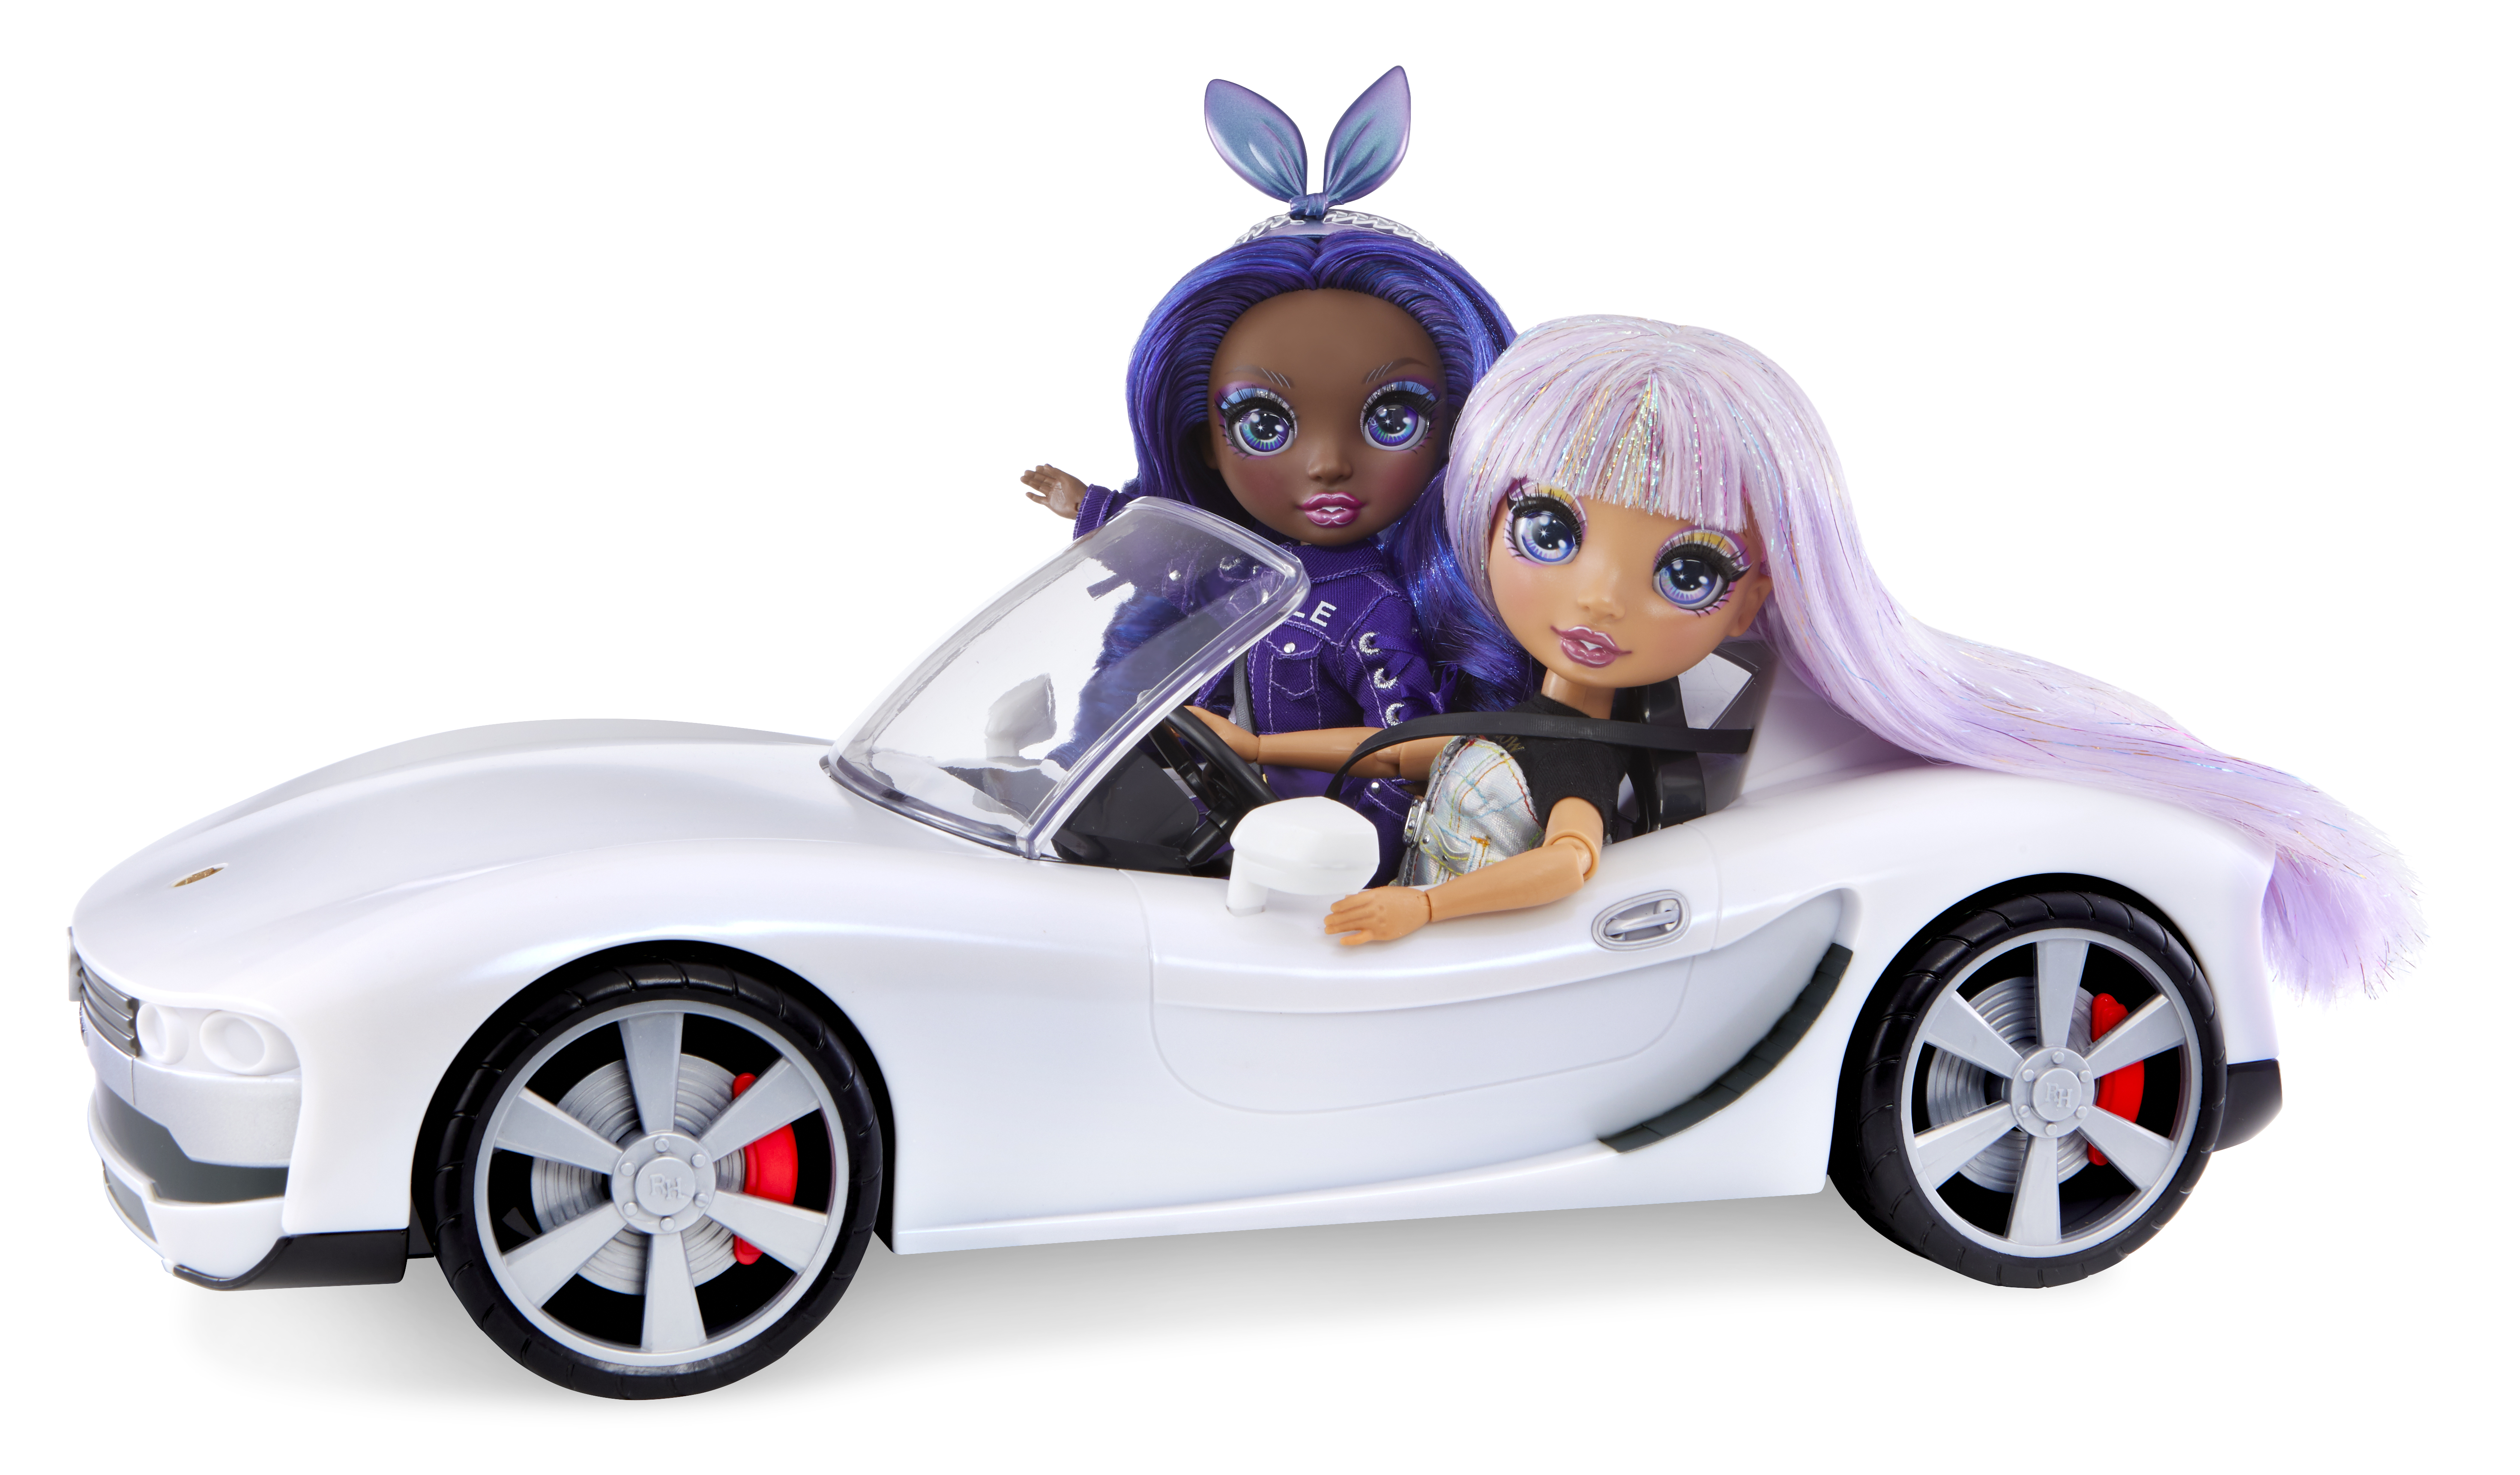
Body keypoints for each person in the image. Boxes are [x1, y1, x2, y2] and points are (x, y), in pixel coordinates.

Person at [1197, 316, 2418, 1003]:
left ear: (1756, 594)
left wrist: (1425, 904)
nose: (1600, 597)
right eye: (1552, 533)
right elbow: (1409, 750)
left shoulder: (1589, 751)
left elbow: (1568, 863)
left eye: (1686, 570)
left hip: (1478, 977)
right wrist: (1252, 742)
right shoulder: (1518, 715)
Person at [1018, 69, 1522, 880]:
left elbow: (1403, 750)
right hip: (1217, 819)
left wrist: (1356, 860)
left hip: (1306, 854)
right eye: (1264, 425)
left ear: (1453, 439)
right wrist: (1092, 508)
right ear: (1202, 441)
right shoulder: (1244, 571)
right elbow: (1177, 562)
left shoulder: (1373, 607)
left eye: (1392, 418)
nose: (1325, 463)